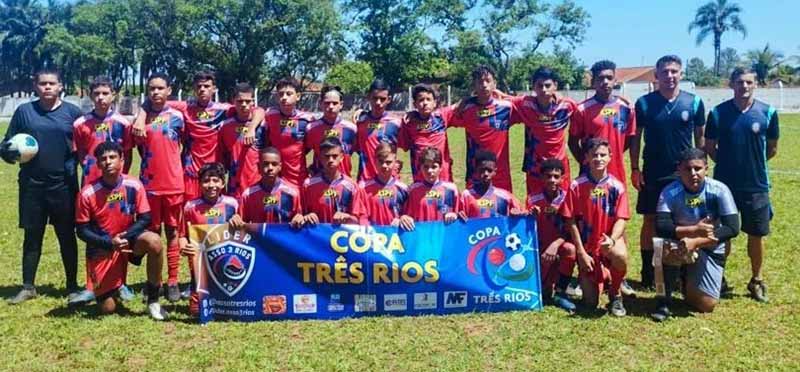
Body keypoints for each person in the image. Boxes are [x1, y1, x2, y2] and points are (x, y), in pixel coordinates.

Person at [1, 69, 83, 304]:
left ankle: (72, 286)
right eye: (43, 83)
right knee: (32, 236)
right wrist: (6, 151)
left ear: (60, 86)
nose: (47, 87)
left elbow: (85, 144)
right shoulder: (24, 112)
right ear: (35, 86)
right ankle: (28, 286)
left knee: (66, 236)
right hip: (32, 186)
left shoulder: (73, 113)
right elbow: (6, 144)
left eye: (52, 83)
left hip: (63, 186)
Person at [704, 67, 779, 303]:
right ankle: (719, 278)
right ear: (731, 84)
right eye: (739, 82)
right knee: (721, 233)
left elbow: (772, 148)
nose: (744, 86)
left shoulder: (767, 112)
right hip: (724, 185)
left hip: (756, 185)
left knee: (756, 234)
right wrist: (728, 164)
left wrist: (751, 164)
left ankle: (756, 280)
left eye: (748, 82)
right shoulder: (718, 113)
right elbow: (710, 147)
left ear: (755, 84)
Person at [631, 55, 706, 290]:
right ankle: (648, 271)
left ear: (681, 74)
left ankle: (682, 272)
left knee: (683, 221)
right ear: (657, 76)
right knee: (650, 220)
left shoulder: (693, 102)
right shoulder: (644, 103)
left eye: (674, 71)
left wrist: (700, 169)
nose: (670, 76)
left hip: (683, 175)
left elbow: (700, 139)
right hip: (652, 172)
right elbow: (636, 139)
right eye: (665, 72)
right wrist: (634, 168)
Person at [132, 71, 263, 200]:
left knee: (215, 214)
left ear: (214, 89)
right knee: (191, 213)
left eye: (206, 86)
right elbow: (153, 101)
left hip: (215, 172)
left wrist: (251, 127)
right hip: (190, 172)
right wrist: (140, 117)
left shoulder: (224, 110)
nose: (202, 89)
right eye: (199, 86)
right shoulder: (185, 107)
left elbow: (258, 110)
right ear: (194, 88)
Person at [75, 141, 168, 320]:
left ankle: (153, 300)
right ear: (98, 164)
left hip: (128, 241)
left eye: (112, 157)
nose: (108, 162)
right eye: (103, 159)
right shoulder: (87, 193)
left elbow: (145, 218)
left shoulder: (134, 184)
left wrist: (125, 237)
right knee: (108, 309)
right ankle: (110, 287)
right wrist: (110, 242)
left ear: (122, 159)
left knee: (154, 241)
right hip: (103, 248)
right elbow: (82, 230)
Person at [70, 76, 136, 305]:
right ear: (90, 96)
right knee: (93, 236)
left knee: (121, 233)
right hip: (92, 187)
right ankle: (92, 284)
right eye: (96, 93)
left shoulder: (123, 124)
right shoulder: (80, 124)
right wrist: (91, 174)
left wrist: (120, 179)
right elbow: (81, 155)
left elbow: (127, 154)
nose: (100, 98)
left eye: (105, 93)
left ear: (113, 95)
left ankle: (122, 282)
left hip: (118, 188)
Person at [653, 148, 740, 321]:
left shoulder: (720, 190)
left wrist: (697, 241)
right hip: (679, 243)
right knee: (662, 248)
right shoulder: (669, 191)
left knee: (706, 305)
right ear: (679, 170)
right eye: (687, 169)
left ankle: (686, 278)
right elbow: (661, 226)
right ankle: (663, 300)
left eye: (698, 168)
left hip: (708, 246)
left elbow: (732, 228)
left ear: (706, 168)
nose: (693, 173)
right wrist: (693, 231)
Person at [562, 138, 630, 316]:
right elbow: (570, 221)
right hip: (587, 249)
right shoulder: (576, 185)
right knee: (590, 303)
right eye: (594, 155)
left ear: (610, 157)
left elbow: (622, 218)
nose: (598, 159)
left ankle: (615, 294)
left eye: (602, 155)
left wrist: (612, 239)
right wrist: (581, 253)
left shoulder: (617, 186)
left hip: (608, 243)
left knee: (620, 255)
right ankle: (603, 275)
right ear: (586, 158)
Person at [135, 73, 186, 302]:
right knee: (152, 235)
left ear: (169, 90)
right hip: (149, 186)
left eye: (160, 88)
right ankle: (154, 282)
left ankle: (173, 281)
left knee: (173, 232)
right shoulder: (139, 121)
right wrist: (141, 114)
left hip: (174, 184)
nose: (156, 92)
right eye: (151, 88)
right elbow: (139, 150)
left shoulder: (178, 116)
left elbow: (185, 143)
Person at [179, 162, 243, 316]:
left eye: (215, 180)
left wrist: (238, 221)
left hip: (227, 263)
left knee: (234, 308)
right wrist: (184, 246)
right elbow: (182, 235)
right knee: (197, 312)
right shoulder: (190, 207)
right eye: (206, 181)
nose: (211, 185)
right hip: (201, 266)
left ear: (222, 183)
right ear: (199, 184)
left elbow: (244, 232)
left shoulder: (232, 205)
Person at [449, 65, 517, 192]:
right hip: (475, 170)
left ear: (494, 83)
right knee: (474, 208)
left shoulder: (506, 108)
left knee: (503, 207)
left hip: (500, 172)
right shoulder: (466, 109)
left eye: (488, 81)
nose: (484, 85)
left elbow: (527, 105)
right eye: (480, 82)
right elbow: (442, 115)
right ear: (474, 86)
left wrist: (506, 96)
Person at [510, 67, 577, 194]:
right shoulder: (525, 104)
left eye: (547, 85)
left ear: (555, 86)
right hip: (535, 166)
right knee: (535, 204)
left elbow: (583, 114)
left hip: (560, 166)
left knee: (562, 205)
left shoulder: (567, 105)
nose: (544, 90)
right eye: (539, 86)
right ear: (533, 87)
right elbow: (502, 100)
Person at [570, 60, 636, 186]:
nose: (605, 82)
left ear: (615, 81)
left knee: (617, 203)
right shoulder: (582, 109)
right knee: (591, 204)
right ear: (593, 82)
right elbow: (572, 142)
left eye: (609, 78)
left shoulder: (626, 108)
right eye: (600, 78)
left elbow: (630, 139)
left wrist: (613, 154)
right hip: (591, 172)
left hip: (616, 170)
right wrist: (587, 161)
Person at [526, 159, 577, 313]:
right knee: (544, 292)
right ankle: (545, 285)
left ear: (563, 178)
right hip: (539, 249)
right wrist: (529, 216)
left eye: (556, 176)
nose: (552, 180)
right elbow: (525, 228)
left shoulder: (568, 198)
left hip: (559, 246)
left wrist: (554, 245)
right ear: (542, 178)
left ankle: (561, 292)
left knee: (570, 249)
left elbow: (569, 228)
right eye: (548, 176)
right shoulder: (533, 199)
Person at [263, 77, 315, 188]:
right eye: (281, 94)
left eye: (289, 94)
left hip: (297, 177)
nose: (284, 98)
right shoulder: (270, 115)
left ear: (298, 96)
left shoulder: (307, 119)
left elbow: (311, 145)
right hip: (274, 175)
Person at [302, 138, 367, 225]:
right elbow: (300, 215)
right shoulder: (308, 184)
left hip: (341, 236)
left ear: (341, 157)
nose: (331, 160)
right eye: (327, 156)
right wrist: (307, 216)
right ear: (320, 157)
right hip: (317, 236)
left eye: (334, 156)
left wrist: (347, 217)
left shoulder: (352, 186)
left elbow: (358, 221)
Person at [399, 84, 453, 182]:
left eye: (428, 99)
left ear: (435, 103)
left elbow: (460, 106)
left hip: (442, 177)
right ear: (415, 104)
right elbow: (405, 146)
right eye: (421, 100)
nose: (425, 103)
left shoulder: (442, 116)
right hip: (420, 176)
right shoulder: (409, 122)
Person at [219, 82, 265, 198]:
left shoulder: (264, 124)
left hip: (259, 183)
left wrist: (252, 127)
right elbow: (223, 155)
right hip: (235, 185)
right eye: (240, 101)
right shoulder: (225, 126)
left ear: (253, 101)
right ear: (233, 101)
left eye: (248, 101)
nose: (244, 105)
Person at [239, 147, 304, 226]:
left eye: (274, 164)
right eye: (266, 164)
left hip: (283, 237)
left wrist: (300, 218)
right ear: (259, 166)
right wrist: (236, 218)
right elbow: (241, 225)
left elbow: (299, 218)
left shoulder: (292, 193)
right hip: (259, 238)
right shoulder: (248, 195)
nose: (270, 168)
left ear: (280, 166)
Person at [399, 147, 460, 231]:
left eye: (434, 167)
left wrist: (455, 215)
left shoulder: (451, 189)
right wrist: (404, 217)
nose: (430, 171)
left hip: (444, 238)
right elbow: (405, 215)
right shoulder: (413, 190)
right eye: (426, 167)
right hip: (422, 237)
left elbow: (461, 214)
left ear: (441, 167)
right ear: (420, 168)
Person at [354, 79, 403, 182]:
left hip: (389, 181)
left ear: (389, 99)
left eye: (382, 99)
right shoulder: (360, 122)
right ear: (368, 97)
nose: (378, 102)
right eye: (375, 98)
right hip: (365, 181)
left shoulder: (397, 123)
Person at [305, 85, 357, 177]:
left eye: (335, 103)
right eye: (327, 103)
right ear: (320, 103)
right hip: (320, 181)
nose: (331, 106)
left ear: (341, 104)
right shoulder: (311, 128)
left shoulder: (351, 129)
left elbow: (352, 152)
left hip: (344, 182)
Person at [459, 150, 526, 219]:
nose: (486, 174)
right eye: (482, 170)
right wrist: (458, 216)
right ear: (476, 170)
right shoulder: (466, 196)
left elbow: (524, 215)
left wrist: (519, 213)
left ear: (495, 172)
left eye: (489, 170)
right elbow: (457, 220)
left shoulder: (505, 196)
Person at [360, 143, 409, 226]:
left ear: (395, 162)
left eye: (388, 162)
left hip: (395, 236)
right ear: (375, 161)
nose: (384, 165)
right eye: (381, 161)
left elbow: (409, 214)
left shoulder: (403, 189)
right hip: (372, 236)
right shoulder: (364, 188)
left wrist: (403, 217)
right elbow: (360, 215)